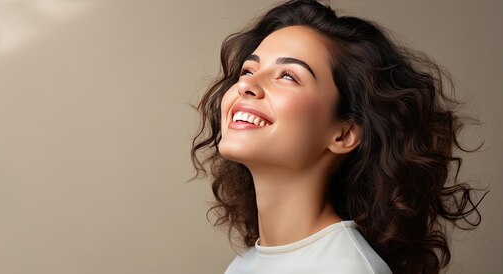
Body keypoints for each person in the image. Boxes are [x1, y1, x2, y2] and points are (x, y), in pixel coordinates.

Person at [190, 0, 489, 273]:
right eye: (247, 70)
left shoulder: (348, 268)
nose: (247, 85)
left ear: (343, 134)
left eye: (288, 76)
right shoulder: (242, 266)